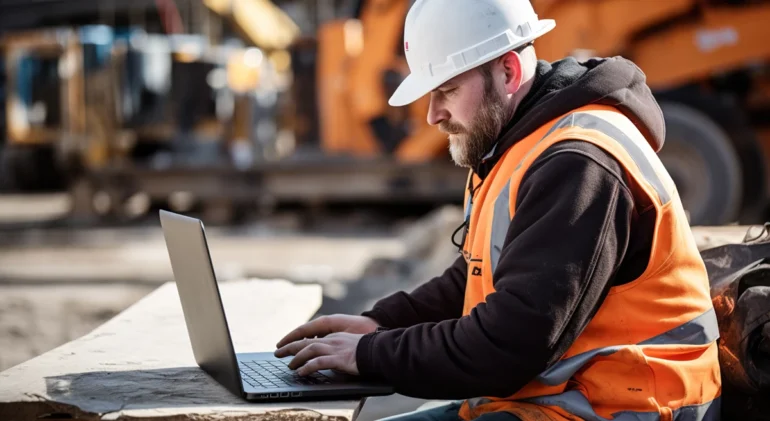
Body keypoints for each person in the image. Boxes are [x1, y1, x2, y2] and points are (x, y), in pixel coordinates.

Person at [274, 0, 722, 420]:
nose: (432, 115)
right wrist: (378, 323)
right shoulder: (514, 145)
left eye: (446, 90)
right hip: (563, 400)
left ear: (507, 72)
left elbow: (507, 345)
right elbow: (476, 276)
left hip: (634, 406)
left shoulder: (579, 164)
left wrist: (369, 354)